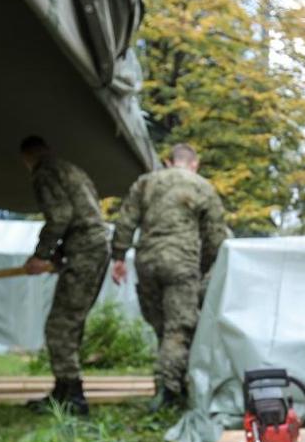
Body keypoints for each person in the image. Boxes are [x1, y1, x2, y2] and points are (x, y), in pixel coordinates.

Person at [110, 143, 228, 410]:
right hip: (181, 263)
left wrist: (118, 256)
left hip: (147, 262)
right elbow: (215, 235)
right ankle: (170, 392)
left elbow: (126, 220)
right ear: (194, 164)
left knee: (161, 326)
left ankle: (167, 382)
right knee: (179, 329)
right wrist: (206, 265)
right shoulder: (202, 186)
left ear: (168, 161)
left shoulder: (145, 182)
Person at [19, 135, 111, 416]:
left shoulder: (45, 172)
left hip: (84, 252)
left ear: (27, 157)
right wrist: (59, 253)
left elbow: (60, 216)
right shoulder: (71, 169)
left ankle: (72, 395)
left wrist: (42, 255)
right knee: (70, 323)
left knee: (60, 325)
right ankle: (63, 391)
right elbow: (82, 213)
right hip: (93, 248)